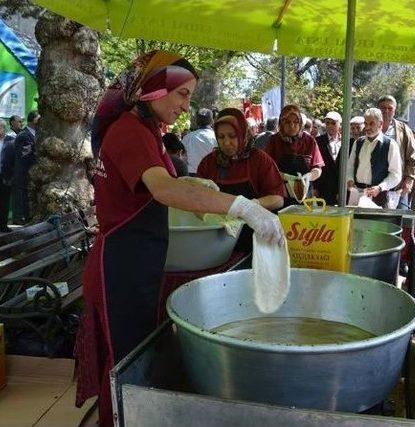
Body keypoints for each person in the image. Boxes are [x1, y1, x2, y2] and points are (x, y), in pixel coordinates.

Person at [76, 51, 284, 427]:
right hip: (118, 268)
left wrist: (196, 187)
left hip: (137, 261)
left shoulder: (146, 131)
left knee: (133, 356)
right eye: (182, 95)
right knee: (124, 363)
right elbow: (164, 190)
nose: (187, 106)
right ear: (156, 90)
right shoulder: (129, 131)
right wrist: (244, 207)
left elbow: (158, 186)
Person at [197, 108, 286, 250]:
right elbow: (197, 199)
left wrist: (250, 205)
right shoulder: (208, 163)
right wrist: (209, 217)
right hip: (217, 238)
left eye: (232, 136)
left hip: (254, 238)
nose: (226, 142)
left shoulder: (260, 160)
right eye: (221, 137)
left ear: (243, 133)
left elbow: (278, 199)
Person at [264, 105, 323, 205]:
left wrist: (309, 176)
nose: (292, 126)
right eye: (287, 122)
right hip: (280, 194)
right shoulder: (274, 141)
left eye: (295, 122)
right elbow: (266, 169)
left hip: (305, 194)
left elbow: (317, 168)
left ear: (300, 123)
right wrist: (286, 177)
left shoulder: (309, 141)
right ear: (281, 123)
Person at [346, 108, 402, 208]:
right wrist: (349, 180)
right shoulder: (358, 142)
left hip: (379, 196)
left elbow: (396, 175)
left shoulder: (390, 145)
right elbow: (350, 167)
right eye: (366, 123)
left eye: (371, 123)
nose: (367, 127)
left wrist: (380, 187)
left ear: (380, 124)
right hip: (356, 194)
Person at [378, 95, 415, 209]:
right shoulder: (370, 127)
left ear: (394, 111)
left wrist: (409, 179)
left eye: (390, 108)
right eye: (382, 108)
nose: (386, 111)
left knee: (399, 221)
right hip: (375, 185)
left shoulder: (403, 130)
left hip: (398, 186)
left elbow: (413, 156)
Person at [12, 110, 40, 224]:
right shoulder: (23, 135)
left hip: (33, 174)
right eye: (39, 119)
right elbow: (25, 154)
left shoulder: (38, 133)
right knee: (23, 198)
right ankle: (22, 219)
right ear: (33, 120)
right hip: (24, 173)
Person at [313, 111, 343, 205]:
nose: (330, 126)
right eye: (327, 123)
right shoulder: (318, 141)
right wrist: (315, 187)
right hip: (323, 186)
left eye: (333, 123)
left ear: (340, 125)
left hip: (340, 186)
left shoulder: (347, 141)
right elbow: (315, 164)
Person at [182, 108, 217, 175]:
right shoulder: (216, 137)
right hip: (211, 175)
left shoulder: (188, 138)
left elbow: (182, 157)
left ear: (196, 121)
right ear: (212, 121)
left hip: (192, 175)